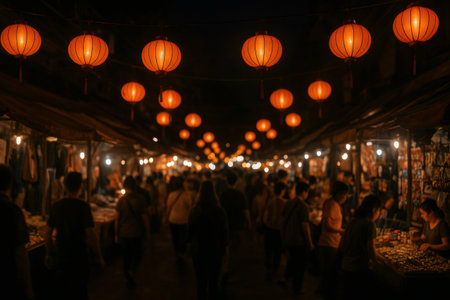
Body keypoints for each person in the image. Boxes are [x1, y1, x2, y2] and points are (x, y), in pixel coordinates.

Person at [44, 172, 104, 300]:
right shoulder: (83, 207)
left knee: (63, 293)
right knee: (80, 292)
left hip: (61, 258)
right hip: (79, 258)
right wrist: (99, 256)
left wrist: (48, 253)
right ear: (80, 187)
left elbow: (48, 232)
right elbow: (90, 234)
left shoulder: (57, 206)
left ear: (65, 186)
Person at [188, 180, 229, 300]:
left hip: (198, 249)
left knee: (200, 281)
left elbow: (190, 231)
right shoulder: (219, 211)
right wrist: (225, 247)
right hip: (215, 249)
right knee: (213, 281)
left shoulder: (195, 211)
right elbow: (224, 232)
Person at [0, 164, 34, 300]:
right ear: (10, 184)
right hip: (7, 275)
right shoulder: (13, 210)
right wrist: (28, 286)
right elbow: (20, 252)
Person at [340, 195, 381, 300]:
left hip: (346, 266)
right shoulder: (369, 224)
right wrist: (376, 263)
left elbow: (343, 243)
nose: (379, 214)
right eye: (379, 210)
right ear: (374, 210)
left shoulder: (353, 221)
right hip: (359, 268)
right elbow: (370, 247)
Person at [115, 176, 150, 287]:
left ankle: (127, 275)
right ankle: (132, 271)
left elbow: (117, 219)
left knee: (126, 256)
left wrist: (116, 234)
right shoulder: (140, 199)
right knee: (137, 254)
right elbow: (145, 217)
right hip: (136, 233)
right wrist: (148, 233)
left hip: (124, 233)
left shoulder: (121, 200)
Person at [281, 181, 314, 297]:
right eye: (307, 192)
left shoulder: (289, 203)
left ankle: (286, 279)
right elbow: (305, 226)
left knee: (292, 261)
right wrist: (310, 243)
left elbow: (284, 218)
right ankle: (296, 288)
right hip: (299, 240)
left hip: (289, 237)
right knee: (300, 266)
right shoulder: (303, 206)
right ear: (304, 192)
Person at [317, 181, 348, 300]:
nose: (345, 198)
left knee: (328, 273)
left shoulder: (333, 204)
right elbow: (327, 225)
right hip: (329, 243)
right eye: (345, 195)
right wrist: (341, 230)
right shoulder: (333, 205)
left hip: (330, 243)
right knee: (329, 272)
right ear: (340, 194)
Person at [165, 176, 194, 265]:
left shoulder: (171, 195)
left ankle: (177, 253)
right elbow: (190, 207)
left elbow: (168, 208)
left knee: (175, 237)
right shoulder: (186, 195)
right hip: (184, 219)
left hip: (173, 219)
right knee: (183, 237)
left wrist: (166, 218)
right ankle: (182, 252)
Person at [263, 181, 288, 280]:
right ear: (282, 191)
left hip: (269, 229)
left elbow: (266, 217)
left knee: (269, 250)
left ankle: (268, 268)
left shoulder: (270, 201)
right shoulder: (285, 203)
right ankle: (275, 269)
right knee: (277, 252)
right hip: (279, 230)